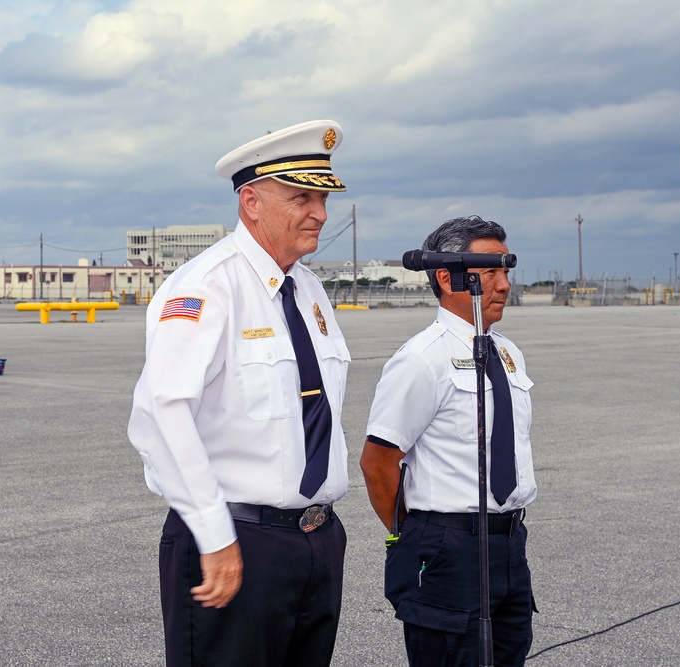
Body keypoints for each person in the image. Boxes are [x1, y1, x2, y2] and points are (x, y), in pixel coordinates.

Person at [128, 120, 352, 667]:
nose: (320, 212)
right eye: (302, 197)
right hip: (236, 540)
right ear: (251, 202)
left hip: (316, 541)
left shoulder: (309, 290)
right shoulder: (206, 286)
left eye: (322, 197)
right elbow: (162, 414)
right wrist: (214, 533)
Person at [360, 216, 537, 667]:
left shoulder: (506, 353)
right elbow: (378, 463)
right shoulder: (422, 359)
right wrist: (415, 536)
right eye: (491, 271)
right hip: (447, 548)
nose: (503, 285)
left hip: (509, 544)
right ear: (446, 276)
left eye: (506, 272)